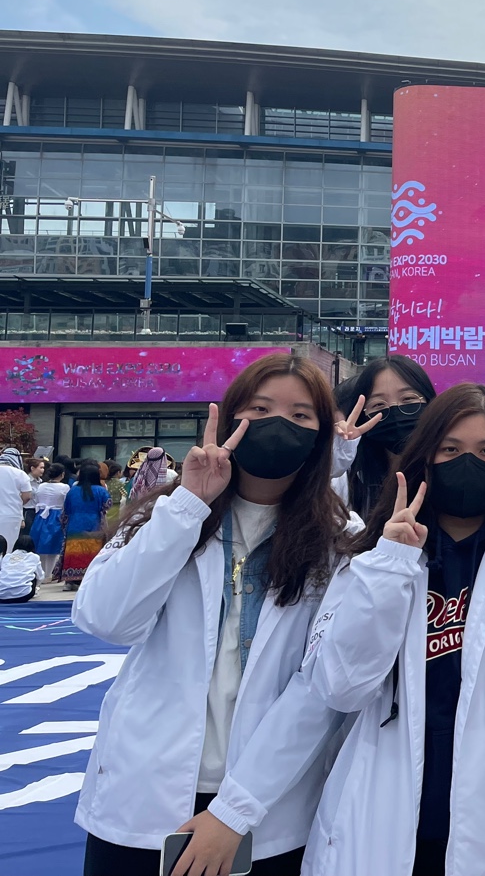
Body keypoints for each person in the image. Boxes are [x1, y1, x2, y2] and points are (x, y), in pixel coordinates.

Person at [74, 353, 354, 876]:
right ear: (229, 419)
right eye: (260, 409)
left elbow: (320, 689)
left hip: (269, 805)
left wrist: (236, 810)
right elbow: (105, 619)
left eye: (300, 416)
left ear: (321, 438)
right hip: (145, 793)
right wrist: (189, 505)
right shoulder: (167, 512)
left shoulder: (339, 541)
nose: (278, 425)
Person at [303, 383, 485, 876]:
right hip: (380, 818)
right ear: (426, 456)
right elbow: (340, 687)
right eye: (451, 450)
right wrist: (390, 565)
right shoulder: (376, 553)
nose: (468, 463)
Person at [341, 354, 437, 520]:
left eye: (408, 399)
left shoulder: (446, 467)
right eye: (378, 404)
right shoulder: (350, 476)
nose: (395, 411)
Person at [60, 459, 111, 589]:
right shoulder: (101, 491)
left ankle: (70, 580)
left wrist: (64, 524)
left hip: (75, 525)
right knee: (92, 551)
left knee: (73, 551)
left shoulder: (72, 491)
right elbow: (107, 507)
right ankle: (90, 577)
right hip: (94, 525)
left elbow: (66, 510)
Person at [30, 461, 69, 580]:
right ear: (62, 474)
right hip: (57, 515)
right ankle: (49, 574)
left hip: (41, 515)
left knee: (39, 543)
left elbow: (36, 499)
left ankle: (40, 572)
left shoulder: (41, 486)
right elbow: (66, 503)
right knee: (54, 545)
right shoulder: (64, 487)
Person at [0, 447, 32, 553]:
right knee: (9, 546)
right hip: (12, 515)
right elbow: (27, 496)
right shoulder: (20, 474)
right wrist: (17, 503)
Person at [0, 531, 44, 602]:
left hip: (1, 595)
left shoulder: (7, 557)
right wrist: (37, 586)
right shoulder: (33, 557)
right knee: (34, 574)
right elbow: (40, 576)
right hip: (23, 595)